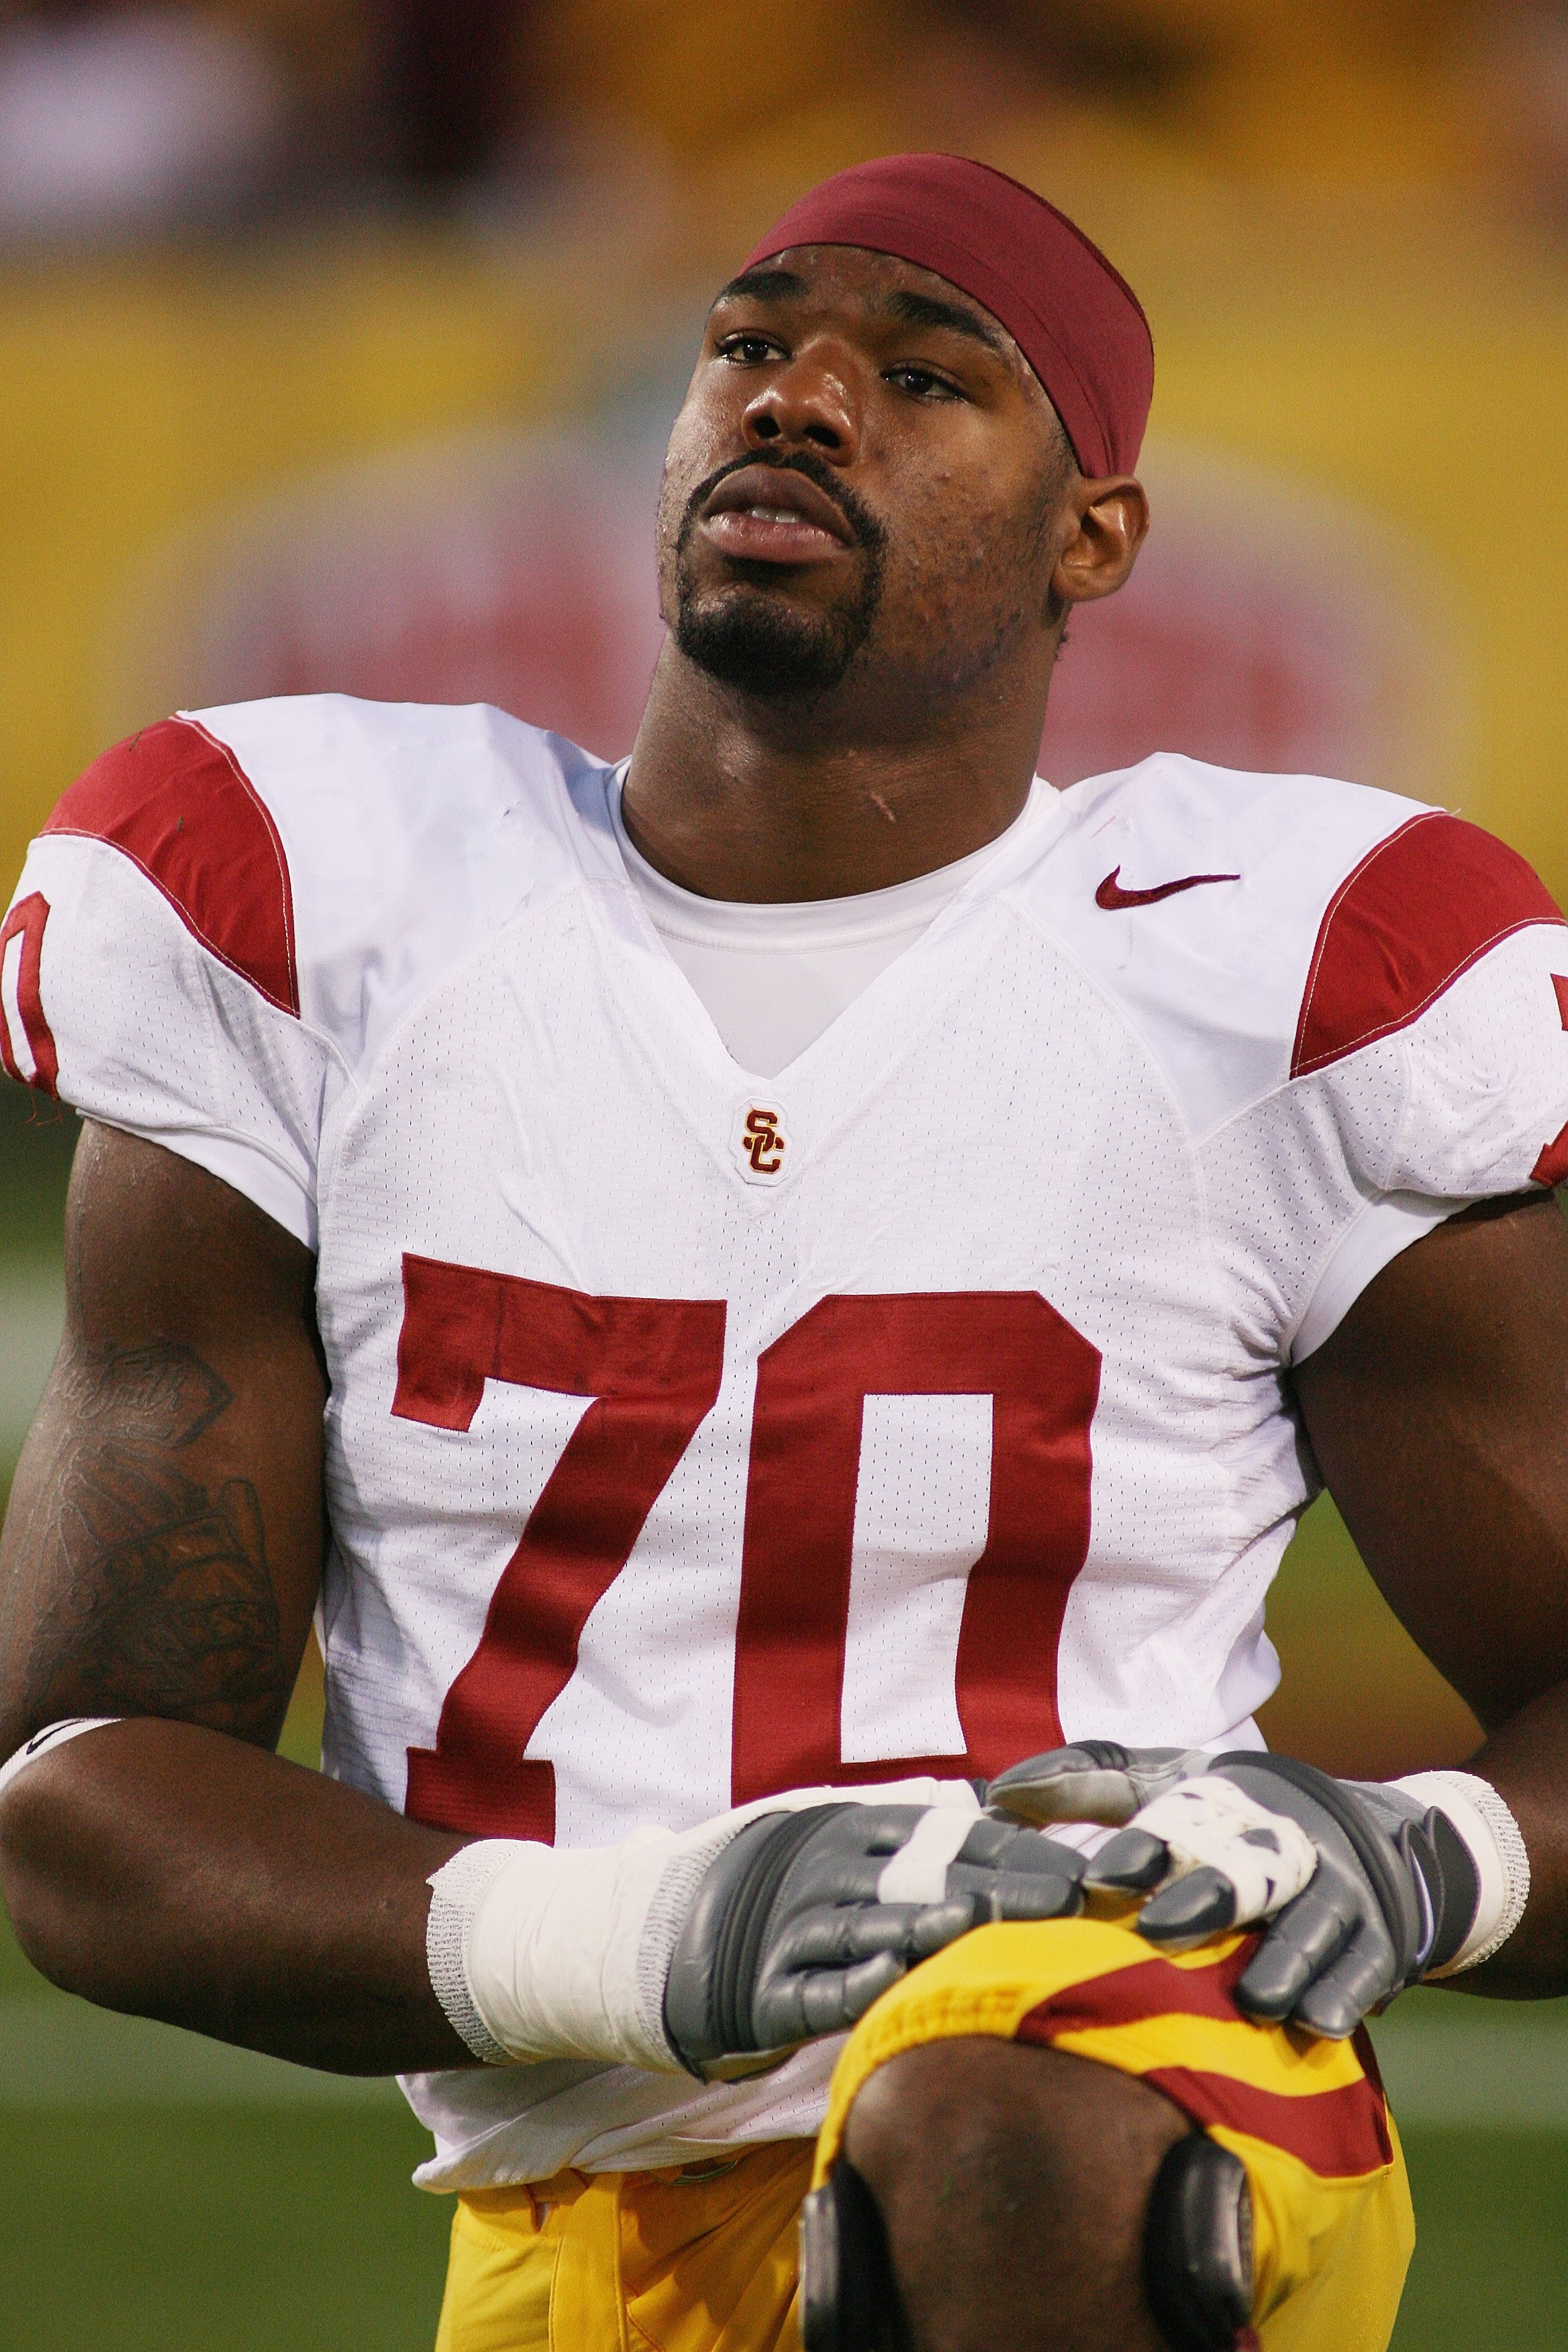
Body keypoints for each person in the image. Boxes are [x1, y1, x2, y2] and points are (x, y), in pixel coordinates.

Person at [0, 152, 1565, 2352]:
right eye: (749, 345)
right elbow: (86, 1800)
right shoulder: (316, 896)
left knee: (997, 2120)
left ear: (1091, 535)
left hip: (1131, 2103)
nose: (801, 400)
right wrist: (657, 1936)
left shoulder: (1293, 976)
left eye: (926, 378)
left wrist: (1422, 1861)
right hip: (580, 2199)